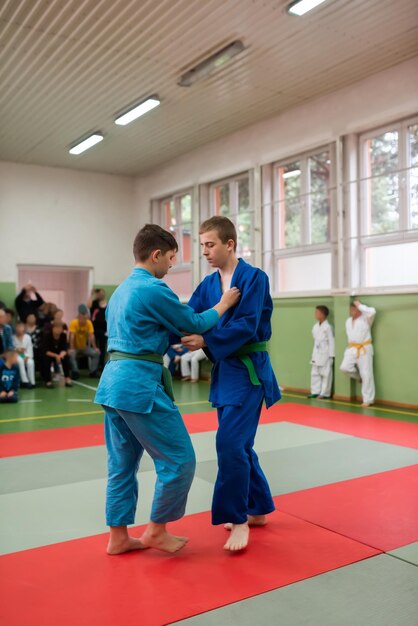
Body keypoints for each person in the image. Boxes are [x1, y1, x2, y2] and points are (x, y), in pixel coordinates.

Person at [94, 224, 240, 556]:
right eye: (171, 258)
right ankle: (156, 530)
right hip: (138, 386)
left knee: (122, 464)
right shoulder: (153, 289)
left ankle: (118, 538)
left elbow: (145, 331)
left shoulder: (120, 292)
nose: (172, 266)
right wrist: (224, 303)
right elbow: (197, 323)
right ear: (156, 254)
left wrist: (176, 338)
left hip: (113, 383)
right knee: (180, 459)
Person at [181, 216, 280, 552]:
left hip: (249, 371)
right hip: (225, 373)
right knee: (240, 445)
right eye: (202, 246)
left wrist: (206, 341)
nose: (204, 252)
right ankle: (259, 508)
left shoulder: (254, 279)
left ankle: (238, 518)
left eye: (210, 244)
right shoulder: (208, 286)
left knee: (228, 444)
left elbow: (249, 326)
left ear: (229, 244)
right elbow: (189, 317)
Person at [340, 300, 376, 407]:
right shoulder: (348, 321)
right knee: (344, 367)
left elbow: (372, 312)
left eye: (356, 309)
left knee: (367, 374)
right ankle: (358, 377)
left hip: (364, 347)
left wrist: (359, 305)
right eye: (352, 309)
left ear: (360, 309)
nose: (353, 311)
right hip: (351, 348)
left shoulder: (366, 319)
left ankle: (368, 399)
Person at [308, 305, 335, 399]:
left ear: (323, 314)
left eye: (317, 312)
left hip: (326, 353)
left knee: (326, 373)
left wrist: (332, 355)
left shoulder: (328, 327)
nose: (315, 314)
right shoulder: (315, 326)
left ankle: (325, 393)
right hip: (316, 352)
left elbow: (331, 341)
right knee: (314, 372)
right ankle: (315, 391)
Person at [68, 305, 100, 379]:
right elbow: (71, 336)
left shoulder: (88, 323)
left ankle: (93, 372)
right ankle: (75, 372)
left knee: (96, 353)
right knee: (71, 354)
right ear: (79, 316)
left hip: (84, 347)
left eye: (85, 316)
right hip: (75, 347)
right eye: (82, 315)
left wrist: (95, 347)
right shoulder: (74, 323)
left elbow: (91, 336)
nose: (84, 318)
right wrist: (71, 348)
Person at [40, 321, 72, 388]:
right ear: (53, 328)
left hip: (59, 354)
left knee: (66, 358)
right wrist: (56, 356)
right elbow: (45, 350)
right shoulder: (47, 336)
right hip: (50, 354)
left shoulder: (63, 336)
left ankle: (67, 378)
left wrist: (61, 355)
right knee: (45, 360)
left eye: (60, 328)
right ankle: (48, 380)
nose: (58, 330)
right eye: (56, 328)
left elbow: (65, 348)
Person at [88, 289, 108, 371]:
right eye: (99, 294)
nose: (100, 295)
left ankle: (102, 366)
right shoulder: (94, 303)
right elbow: (88, 306)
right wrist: (91, 294)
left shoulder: (107, 304)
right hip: (95, 329)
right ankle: (94, 368)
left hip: (104, 330)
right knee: (95, 348)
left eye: (101, 293)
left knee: (103, 349)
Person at [13, 321, 36, 388]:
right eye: (18, 327)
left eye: (21, 327)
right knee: (20, 361)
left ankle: (32, 382)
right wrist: (17, 350)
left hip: (26, 355)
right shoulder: (13, 337)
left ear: (24, 328)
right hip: (16, 355)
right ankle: (25, 381)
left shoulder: (27, 337)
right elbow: (13, 349)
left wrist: (27, 357)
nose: (20, 329)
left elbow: (29, 349)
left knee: (30, 363)